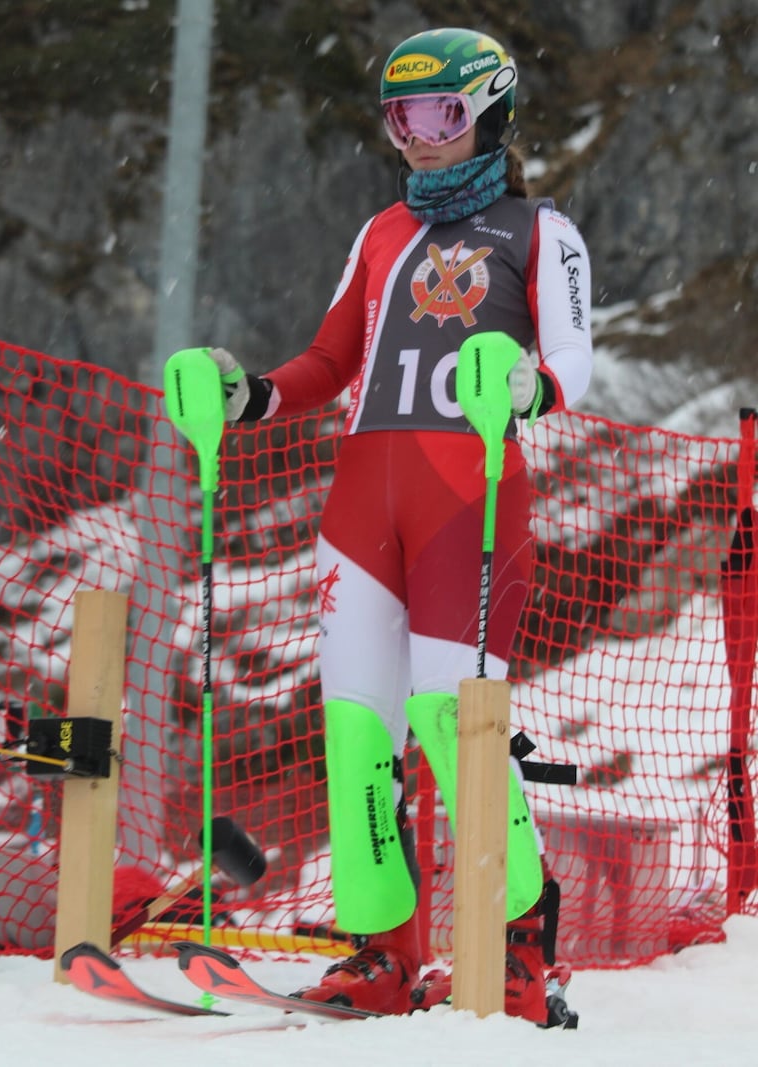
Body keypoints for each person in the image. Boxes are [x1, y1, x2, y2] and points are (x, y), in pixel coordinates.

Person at [207, 27, 592, 1022]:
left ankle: (517, 948)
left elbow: (567, 368)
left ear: (489, 114)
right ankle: (382, 948)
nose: (418, 138)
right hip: (357, 507)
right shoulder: (378, 232)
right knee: (357, 731)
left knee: (451, 720)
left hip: (464, 500)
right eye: (400, 118)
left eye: (440, 116)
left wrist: (518, 383)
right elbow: (329, 360)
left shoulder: (536, 230)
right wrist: (246, 397)